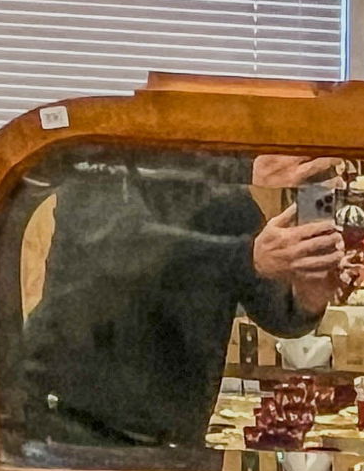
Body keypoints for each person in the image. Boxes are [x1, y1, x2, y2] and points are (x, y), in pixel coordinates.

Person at [17, 151, 344, 453]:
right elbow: (129, 249)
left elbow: (278, 311)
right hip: (69, 430)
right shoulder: (99, 170)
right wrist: (247, 250)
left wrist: (308, 295)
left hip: (174, 442)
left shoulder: (226, 201)